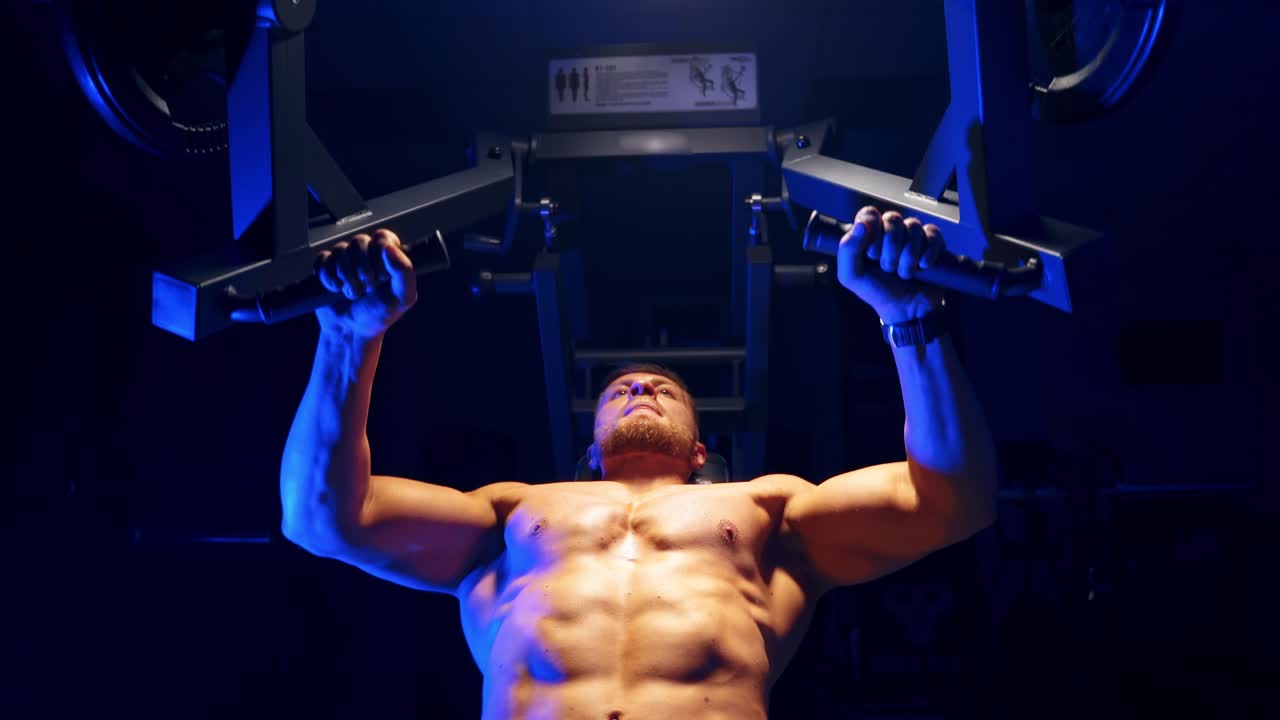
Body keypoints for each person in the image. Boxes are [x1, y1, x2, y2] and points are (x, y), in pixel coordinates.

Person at [280, 206, 999, 720]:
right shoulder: (510, 513)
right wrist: (349, 340)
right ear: (590, 452)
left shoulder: (767, 509)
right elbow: (322, 517)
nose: (641, 387)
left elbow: (953, 500)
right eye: (620, 389)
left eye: (663, 389)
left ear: (699, 453)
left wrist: (910, 318)